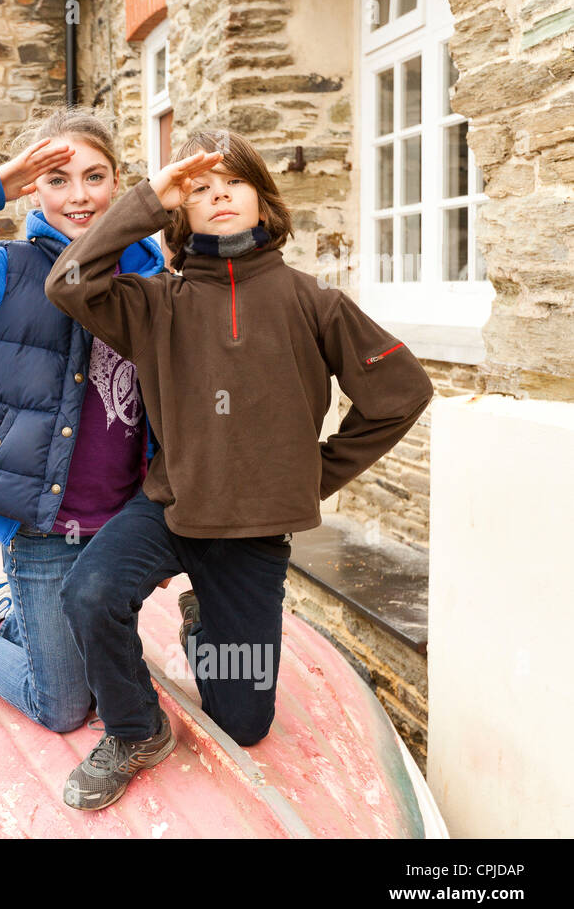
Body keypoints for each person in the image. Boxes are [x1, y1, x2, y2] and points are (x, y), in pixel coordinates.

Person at [44, 129, 435, 810]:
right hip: (170, 510)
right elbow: (67, 281)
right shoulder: (152, 304)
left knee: (244, 724)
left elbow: (400, 393)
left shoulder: (316, 302)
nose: (218, 193)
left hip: (254, 537)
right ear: (179, 211)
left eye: (234, 181)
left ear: (263, 199)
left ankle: (203, 620)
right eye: (198, 187)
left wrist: (310, 478)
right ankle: (136, 730)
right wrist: (144, 199)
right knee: (88, 593)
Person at [0, 106, 189, 734]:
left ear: (119, 181)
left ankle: (12, 609)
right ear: (33, 188)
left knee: (107, 689)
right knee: (66, 708)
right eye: (57, 179)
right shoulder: (4, 269)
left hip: (123, 523)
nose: (79, 196)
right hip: (44, 522)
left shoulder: (155, 273)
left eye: (95, 177)